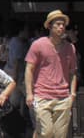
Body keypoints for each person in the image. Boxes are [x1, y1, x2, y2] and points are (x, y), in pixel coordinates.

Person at [24, 10, 78, 138]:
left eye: (63, 25)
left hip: (63, 96)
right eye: (58, 24)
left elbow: (73, 72)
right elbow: (29, 69)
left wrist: (73, 94)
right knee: (46, 132)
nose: (61, 27)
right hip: (42, 95)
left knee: (60, 135)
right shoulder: (38, 45)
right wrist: (29, 93)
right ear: (49, 26)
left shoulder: (70, 48)